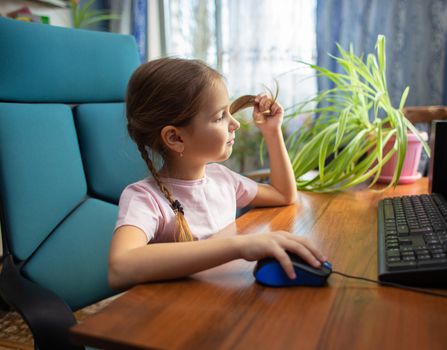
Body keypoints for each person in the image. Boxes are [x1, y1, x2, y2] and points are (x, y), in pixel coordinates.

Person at [108, 58, 326, 290]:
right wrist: (239, 246)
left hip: (220, 295)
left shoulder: (223, 179)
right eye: (220, 116)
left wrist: (272, 132)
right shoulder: (144, 198)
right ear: (175, 138)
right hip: (175, 313)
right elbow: (120, 267)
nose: (235, 124)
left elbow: (283, 195)